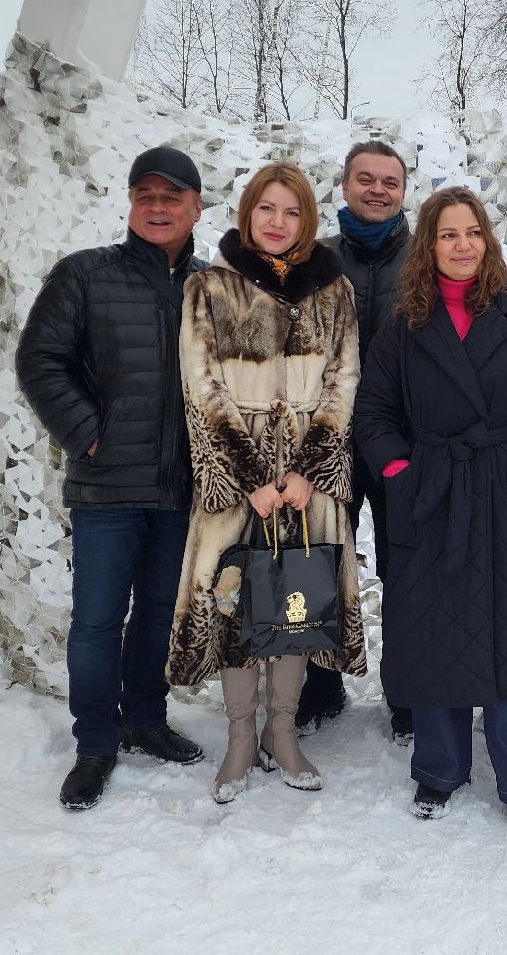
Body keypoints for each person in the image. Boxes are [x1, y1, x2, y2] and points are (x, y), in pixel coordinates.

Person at [353, 185, 507, 832]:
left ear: (488, 242)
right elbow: (372, 413)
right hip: (433, 501)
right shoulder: (404, 325)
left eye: (471, 233)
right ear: (428, 246)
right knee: (433, 641)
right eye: (447, 234)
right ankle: (439, 770)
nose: (461, 245)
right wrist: (402, 471)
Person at [15, 145, 212, 811]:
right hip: (106, 490)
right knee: (99, 623)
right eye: (145, 195)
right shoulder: (85, 276)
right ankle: (96, 742)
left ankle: (145, 719)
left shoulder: (212, 288)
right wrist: (85, 432)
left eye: (172, 197)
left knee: (158, 615)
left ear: (195, 208)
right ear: (131, 203)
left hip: (181, 490)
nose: (158, 208)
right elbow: (40, 360)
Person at [164, 161, 364, 804]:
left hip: (309, 481)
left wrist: (308, 470)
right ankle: (240, 738)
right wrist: (249, 476)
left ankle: (283, 733)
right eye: (266, 209)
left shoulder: (335, 292)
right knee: (233, 606)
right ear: (248, 213)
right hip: (236, 479)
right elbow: (202, 390)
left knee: (296, 601)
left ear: (307, 221)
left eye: (292, 212)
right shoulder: (211, 288)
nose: (278, 223)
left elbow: (343, 382)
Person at [300, 140, 414, 741]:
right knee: (322, 562)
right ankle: (321, 687)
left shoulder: (425, 260)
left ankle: (408, 691)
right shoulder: (315, 260)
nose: (377, 189)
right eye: (364, 179)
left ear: (404, 191)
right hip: (327, 445)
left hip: (402, 444)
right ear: (343, 187)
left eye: (389, 181)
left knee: (407, 567)